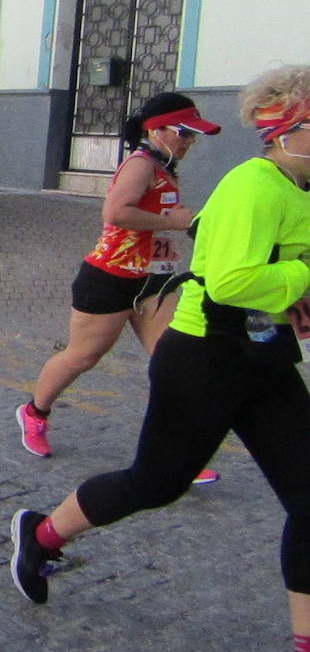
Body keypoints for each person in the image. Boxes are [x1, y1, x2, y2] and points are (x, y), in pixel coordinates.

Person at [9, 65, 310, 652]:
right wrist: (295, 281)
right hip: (181, 334)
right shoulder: (241, 184)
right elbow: (224, 277)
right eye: (183, 132)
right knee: (146, 468)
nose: (191, 141)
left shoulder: (295, 185)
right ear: (289, 131)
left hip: (253, 348)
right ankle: (39, 519)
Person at [16, 93, 222, 490]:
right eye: (184, 133)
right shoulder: (141, 164)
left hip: (155, 281)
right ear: (156, 131)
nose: (189, 142)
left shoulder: (165, 165)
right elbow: (114, 212)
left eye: (193, 135)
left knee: (174, 364)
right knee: (82, 357)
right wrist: (175, 221)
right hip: (109, 278)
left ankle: (180, 455)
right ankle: (35, 412)